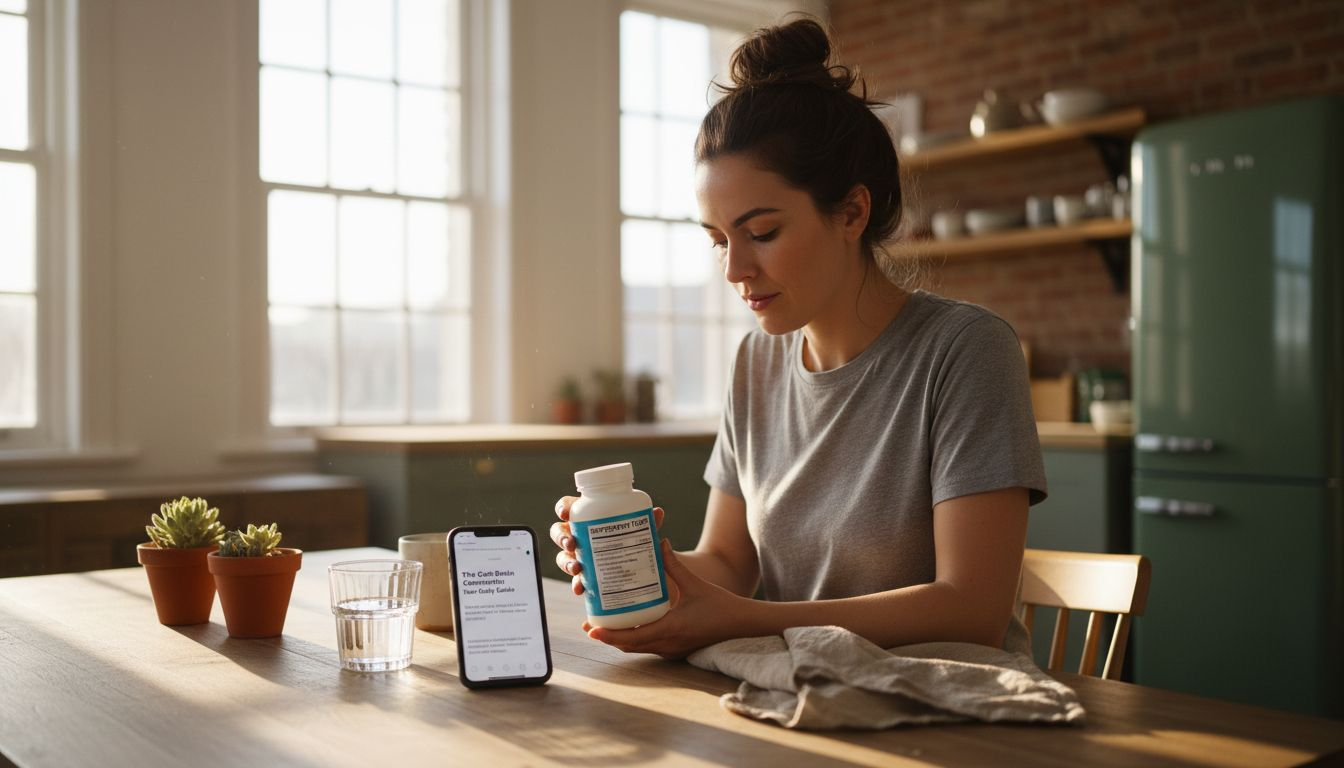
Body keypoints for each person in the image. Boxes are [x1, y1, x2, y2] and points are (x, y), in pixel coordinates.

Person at [550, 17, 1046, 659]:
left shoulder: (965, 350)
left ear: (852, 212)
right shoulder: (757, 360)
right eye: (719, 241)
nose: (734, 270)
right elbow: (729, 561)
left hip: (949, 716)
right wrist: (637, 570)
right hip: (799, 698)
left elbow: (972, 609)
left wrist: (746, 620)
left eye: (761, 233)